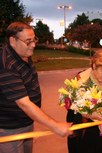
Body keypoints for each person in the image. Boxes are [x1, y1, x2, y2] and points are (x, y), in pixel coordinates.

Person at [0, 22, 72, 153]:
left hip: (26, 121)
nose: (33, 45)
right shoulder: (6, 65)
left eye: (34, 40)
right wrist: (54, 126)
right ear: (12, 40)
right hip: (10, 128)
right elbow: (24, 104)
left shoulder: (23, 54)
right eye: (28, 41)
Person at [66, 50, 102, 153]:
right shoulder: (80, 79)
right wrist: (87, 113)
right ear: (94, 66)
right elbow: (69, 105)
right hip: (84, 131)